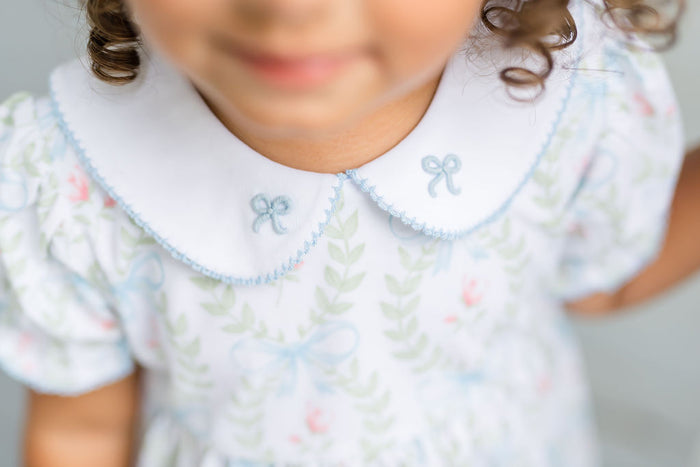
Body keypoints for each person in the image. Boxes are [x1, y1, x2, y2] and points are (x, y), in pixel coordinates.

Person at [0, 0, 698, 465]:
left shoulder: (570, 92)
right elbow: (81, 431)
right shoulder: (71, 177)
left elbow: (603, 282)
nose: (290, 11)